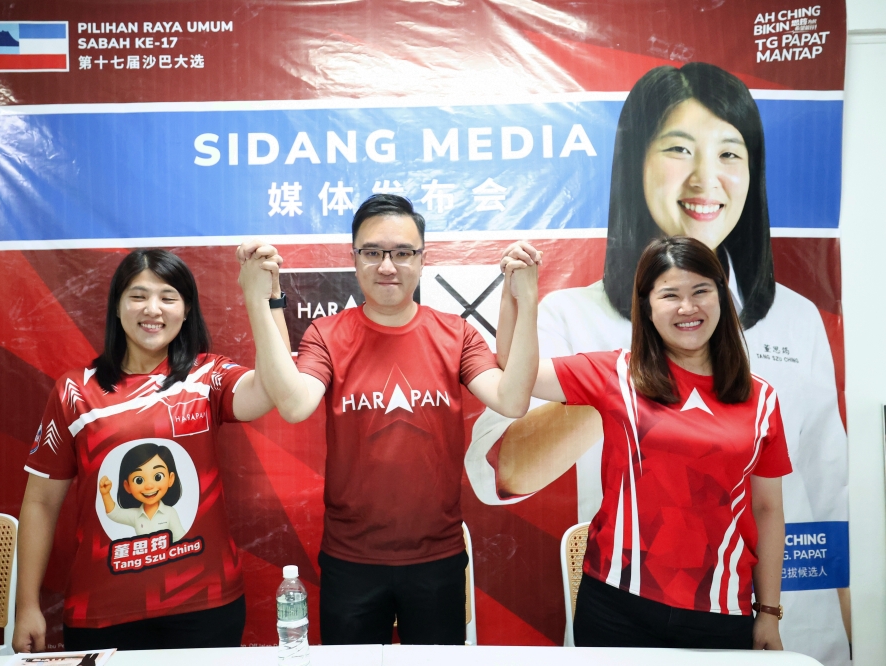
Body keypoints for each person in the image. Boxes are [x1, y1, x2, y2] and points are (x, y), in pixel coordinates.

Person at [466, 62, 850, 663]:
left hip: (733, 614)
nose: (707, 178)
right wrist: (522, 299)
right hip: (619, 607)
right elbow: (504, 436)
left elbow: (817, 502)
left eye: (731, 153)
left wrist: (780, 617)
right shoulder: (600, 352)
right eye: (678, 147)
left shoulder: (776, 360)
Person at [237, 193, 540, 645]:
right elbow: (295, 404)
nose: (387, 266)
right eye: (373, 252)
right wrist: (257, 299)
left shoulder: (455, 334)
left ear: (422, 258)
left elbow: (512, 400)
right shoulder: (328, 333)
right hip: (350, 561)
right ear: (354, 257)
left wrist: (527, 299)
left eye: (402, 253)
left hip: (437, 558)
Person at [496, 235, 789, 649]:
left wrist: (769, 613)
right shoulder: (617, 373)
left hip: (721, 612)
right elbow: (514, 368)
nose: (688, 308)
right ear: (647, 307)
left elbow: (768, 510)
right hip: (616, 604)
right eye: (670, 295)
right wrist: (518, 295)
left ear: (722, 297)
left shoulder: (761, 399)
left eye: (701, 291)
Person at [13, 248, 289, 652]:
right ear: (118, 306)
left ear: (186, 308)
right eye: (138, 296)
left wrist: (270, 297)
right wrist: (26, 606)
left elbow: (275, 387)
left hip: (205, 606)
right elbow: (39, 503)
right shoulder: (75, 391)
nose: (152, 309)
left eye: (168, 297)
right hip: (100, 612)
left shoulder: (207, 376)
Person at [99, 442, 186, 542]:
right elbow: (115, 514)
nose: (149, 486)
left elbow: (180, 538)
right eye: (139, 480)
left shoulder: (170, 513)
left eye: (158, 477)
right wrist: (105, 494)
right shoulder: (136, 515)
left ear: (170, 479)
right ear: (127, 486)